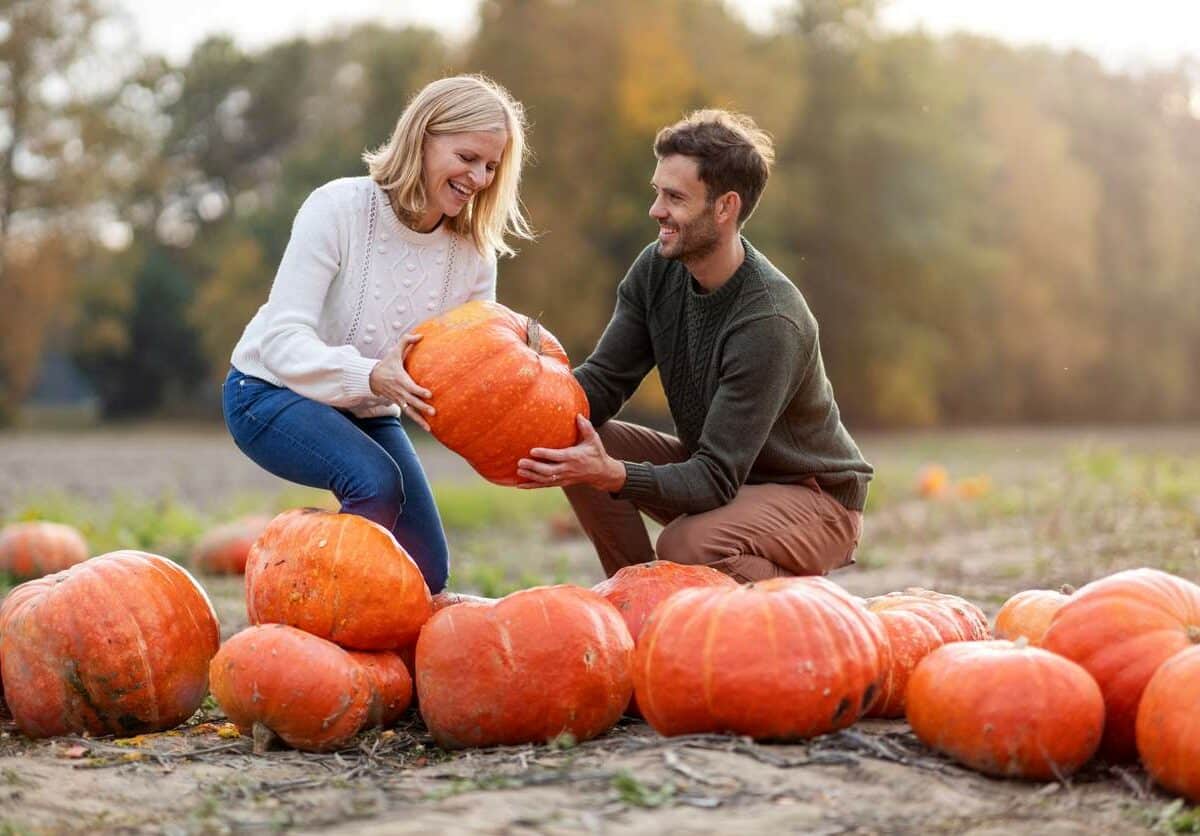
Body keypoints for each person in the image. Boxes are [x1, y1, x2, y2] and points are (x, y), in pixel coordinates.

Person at [517, 110, 873, 583]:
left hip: (813, 500)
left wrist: (614, 475)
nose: (656, 210)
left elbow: (714, 478)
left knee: (686, 544)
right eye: (657, 192)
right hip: (729, 480)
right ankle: (637, 604)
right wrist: (525, 409)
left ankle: (801, 606)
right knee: (582, 436)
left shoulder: (769, 320)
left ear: (724, 208)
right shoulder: (657, 270)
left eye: (674, 197)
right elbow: (601, 382)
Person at [223, 75, 532, 594]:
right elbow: (281, 340)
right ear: (424, 138)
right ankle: (322, 631)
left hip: (366, 408)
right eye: (467, 157)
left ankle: (357, 625)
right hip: (267, 391)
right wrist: (371, 374)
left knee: (426, 574)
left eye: (492, 166)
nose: (479, 177)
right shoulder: (339, 208)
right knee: (375, 484)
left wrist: (519, 436)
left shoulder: (474, 256)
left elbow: (475, 370)